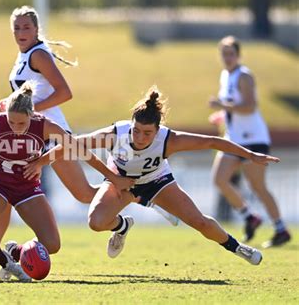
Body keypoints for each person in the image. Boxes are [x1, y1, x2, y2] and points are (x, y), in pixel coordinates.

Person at [0, 5, 177, 273]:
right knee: (45, 194)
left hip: (52, 136)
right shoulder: (23, 56)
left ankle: (145, 198)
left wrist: (29, 111)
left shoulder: (38, 54)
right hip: (33, 138)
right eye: (17, 28)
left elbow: (64, 92)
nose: (21, 32)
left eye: (26, 27)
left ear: (36, 29)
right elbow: (30, 95)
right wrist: (11, 103)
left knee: (85, 194)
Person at [27, 86, 280, 265]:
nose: (139, 137)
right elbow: (72, 144)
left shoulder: (169, 140)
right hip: (121, 180)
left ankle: (238, 247)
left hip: (157, 182)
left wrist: (251, 155)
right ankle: (123, 225)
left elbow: (213, 142)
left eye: (147, 133)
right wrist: (39, 162)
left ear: (158, 131)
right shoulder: (117, 133)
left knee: (200, 223)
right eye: (137, 131)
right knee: (95, 222)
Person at [0, 82, 134, 281]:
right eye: (11, 122)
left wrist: (113, 177)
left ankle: (16, 252)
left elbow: (79, 150)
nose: (16, 129)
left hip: (27, 188)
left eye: (22, 124)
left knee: (52, 244)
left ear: (32, 116)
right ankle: (6, 264)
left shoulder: (45, 126)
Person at [209, 36, 291, 247]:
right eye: (224, 54)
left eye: (231, 53)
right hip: (234, 138)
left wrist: (224, 107)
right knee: (219, 179)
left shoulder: (244, 76)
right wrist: (223, 116)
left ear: (238, 55)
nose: (227, 58)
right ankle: (250, 216)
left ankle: (281, 229)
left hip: (253, 139)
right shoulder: (224, 75)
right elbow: (234, 107)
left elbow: (250, 107)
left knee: (258, 186)